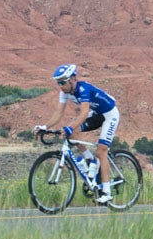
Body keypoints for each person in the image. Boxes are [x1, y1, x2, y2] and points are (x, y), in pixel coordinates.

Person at [34, 64, 119, 204]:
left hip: (110, 115)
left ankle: (107, 192)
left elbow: (84, 112)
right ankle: (89, 160)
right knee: (71, 132)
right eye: (58, 83)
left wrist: (70, 127)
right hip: (96, 114)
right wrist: (45, 126)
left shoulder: (83, 89)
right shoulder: (65, 93)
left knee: (101, 152)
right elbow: (58, 113)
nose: (61, 86)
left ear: (73, 79)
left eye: (63, 82)